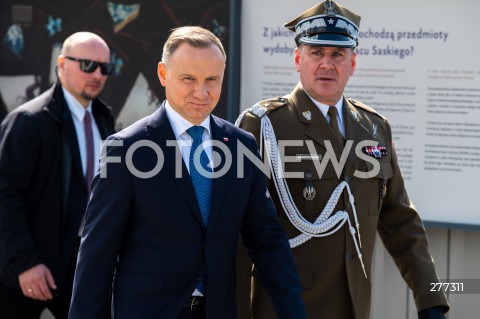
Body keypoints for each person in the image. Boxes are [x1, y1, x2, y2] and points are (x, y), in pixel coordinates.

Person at [68, 26, 306, 319]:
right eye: (189, 79)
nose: (201, 92)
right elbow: (97, 254)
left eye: (212, 80)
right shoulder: (127, 148)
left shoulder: (242, 145)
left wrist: (293, 312)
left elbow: (267, 240)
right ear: (163, 74)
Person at [235, 1, 450, 319]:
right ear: (298, 59)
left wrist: (431, 299)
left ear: (353, 63)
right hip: (286, 308)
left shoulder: (374, 128)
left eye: (337, 55)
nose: (327, 64)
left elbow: (401, 222)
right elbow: (240, 235)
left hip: (353, 306)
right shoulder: (266, 125)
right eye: (316, 53)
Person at [0, 32, 115, 318]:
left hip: (83, 266)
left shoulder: (104, 119)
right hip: (27, 269)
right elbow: (4, 197)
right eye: (88, 65)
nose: (97, 74)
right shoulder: (29, 121)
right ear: (62, 64)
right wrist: (25, 263)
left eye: (105, 67)